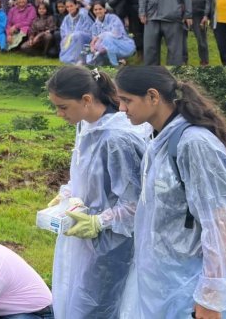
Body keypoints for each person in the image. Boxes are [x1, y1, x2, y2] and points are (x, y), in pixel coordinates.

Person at [115, 67, 226, 319]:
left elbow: (221, 222)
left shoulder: (194, 144)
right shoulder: (156, 139)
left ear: (153, 97)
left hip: (191, 285)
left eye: (127, 100)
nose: (122, 109)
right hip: (165, 279)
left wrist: (210, 299)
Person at [46, 66, 146, 318]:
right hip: (82, 238)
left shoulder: (117, 139)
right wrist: (68, 193)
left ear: (87, 100)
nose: (59, 114)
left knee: (97, 307)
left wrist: (99, 221)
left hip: (111, 245)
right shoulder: (87, 126)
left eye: (63, 107)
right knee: (73, 298)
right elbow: (85, 174)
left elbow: (137, 203)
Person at [88, 1, 136, 66]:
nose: (98, 11)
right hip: (106, 50)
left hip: (123, 46)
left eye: (100, 9)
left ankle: (115, 65)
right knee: (91, 54)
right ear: (93, 11)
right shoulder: (94, 26)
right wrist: (93, 47)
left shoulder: (113, 18)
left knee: (107, 39)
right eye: (95, 10)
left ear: (105, 9)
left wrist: (99, 37)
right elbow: (94, 43)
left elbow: (116, 34)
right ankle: (119, 61)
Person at [58, 0, 95, 65]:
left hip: (86, 38)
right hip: (71, 39)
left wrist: (74, 34)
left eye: (71, 6)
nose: (69, 8)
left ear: (76, 5)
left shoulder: (84, 14)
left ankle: (81, 59)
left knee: (78, 35)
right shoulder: (67, 18)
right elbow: (63, 32)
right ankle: (72, 58)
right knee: (67, 40)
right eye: (67, 7)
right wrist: (69, 36)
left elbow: (90, 30)